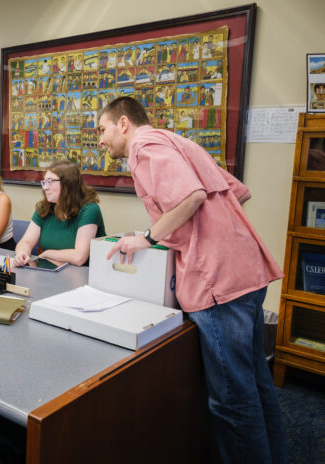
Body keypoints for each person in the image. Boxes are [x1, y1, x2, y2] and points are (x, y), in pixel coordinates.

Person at [97, 96, 287, 464]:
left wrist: (148, 237)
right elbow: (237, 192)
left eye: (102, 130)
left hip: (217, 283)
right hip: (245, 271)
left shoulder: (144, 146)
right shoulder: (177, 141)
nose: (100, 141)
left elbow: (191, 196)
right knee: (257, 387)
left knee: (232, 400)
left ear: (123, 123)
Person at [13, 159, 105, 267]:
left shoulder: (89, 210)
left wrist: (48, 253)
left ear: (68, 183)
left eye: (50, 181)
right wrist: (22, 252)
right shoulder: (44, 207)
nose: (45, 187)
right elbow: (26, 242)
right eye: (44, 182)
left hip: (82, 277)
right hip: (50, 274)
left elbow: (79, 257)